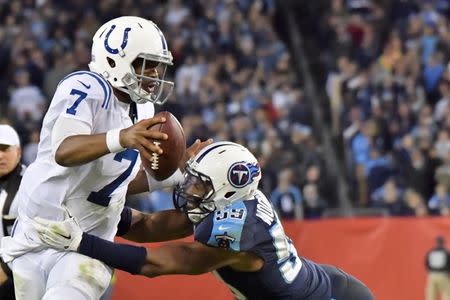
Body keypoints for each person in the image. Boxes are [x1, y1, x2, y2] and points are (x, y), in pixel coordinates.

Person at [0, 16, 210, 300]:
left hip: (85, 245)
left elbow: (112, 181)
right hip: (35, 235)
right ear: (115, 60)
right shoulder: (87, 86)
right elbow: (65, 150)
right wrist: (122, 137)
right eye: (145, 63)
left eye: (158, 66)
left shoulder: (143, 109)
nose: (155, 75)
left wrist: (175, 172)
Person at [34, 141, 375, 300]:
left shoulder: (239, 225)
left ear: (228, 190)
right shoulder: (225, 205)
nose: (189, 188)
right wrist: (96, 210)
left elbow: (163, 263)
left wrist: (84, 242)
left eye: (200, 183)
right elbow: (151, 226)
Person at [0, 124, 24, 300]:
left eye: (5, 149)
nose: (0, 155)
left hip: (20, 275)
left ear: (18, 151)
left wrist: (5, 268)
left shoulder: (31, 184)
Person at [425, 236, 450, 300]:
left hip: (432, 275)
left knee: (431, 295)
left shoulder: (431, 252)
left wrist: (429, 271)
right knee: (446, 294)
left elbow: (426, 263)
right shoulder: (446, 252)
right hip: (443, 274)